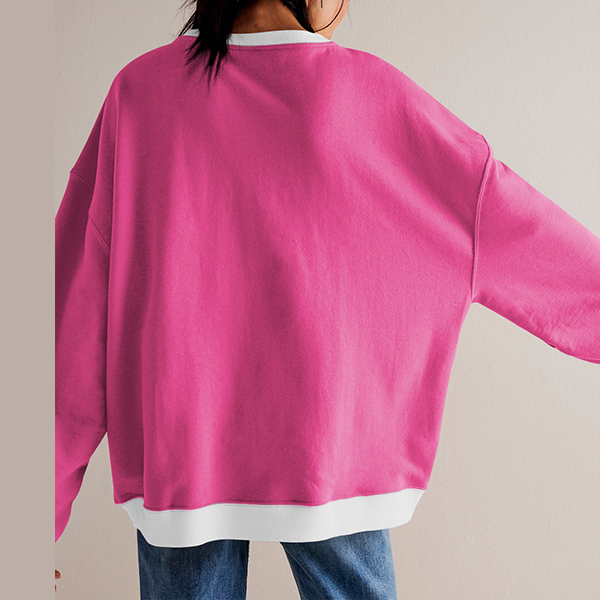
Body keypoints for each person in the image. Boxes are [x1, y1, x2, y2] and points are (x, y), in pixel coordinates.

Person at [55, 0, 600, 597]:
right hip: (333, 461)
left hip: (182, 461)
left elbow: (73, 320)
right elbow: (509, 224)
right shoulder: (378, 96)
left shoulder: (141, 94)